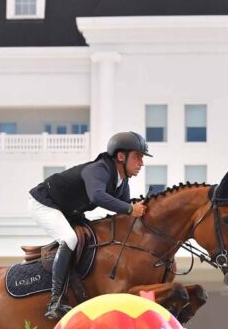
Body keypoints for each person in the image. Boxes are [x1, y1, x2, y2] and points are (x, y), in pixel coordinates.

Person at [28, 131, 151, 319]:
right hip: (44, 203)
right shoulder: (98, 169)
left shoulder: (122, 181)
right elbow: (97, 196)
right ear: (121, 156)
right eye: (137, 156)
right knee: (69, 238)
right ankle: (55, 302)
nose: (141, 163)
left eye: (142, 158)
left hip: (69, 210)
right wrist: (129, 209)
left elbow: (125, 214)